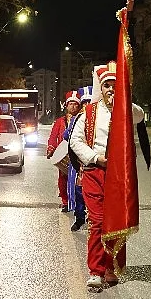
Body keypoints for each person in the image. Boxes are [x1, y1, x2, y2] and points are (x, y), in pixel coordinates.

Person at [69, 62, 145, 288]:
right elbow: (75, 140)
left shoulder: (127, 110)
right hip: (95, 171)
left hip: (119, 176)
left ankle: (112, 266)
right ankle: (96, 269)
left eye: (115, 86)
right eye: (107, 86)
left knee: (116, 221)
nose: (111, 90)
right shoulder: (89, 113)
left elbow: (140, 115)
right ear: (100, 89)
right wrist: (94, 158)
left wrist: (123, 99)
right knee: (99, 221)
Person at [63, 88, 91, 232]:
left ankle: (94, 220)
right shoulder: (76, 118)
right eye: (84, 102)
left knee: (95, 193)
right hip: (80, 162)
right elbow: (66, 136)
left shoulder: (100, 118)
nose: (86, 105)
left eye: (89, 102)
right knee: (79, 191)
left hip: (95, 162)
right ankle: (79, 218)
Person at [47, 92, 77, 212]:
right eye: (71, 104)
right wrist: (51, 148)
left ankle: (77, 202)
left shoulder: (82, 119)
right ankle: (65, 201)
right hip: (64, 155)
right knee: (63, 179)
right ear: (66, 105)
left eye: (75, 104)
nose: (73, 106)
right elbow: (53, 136)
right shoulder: (60, 121)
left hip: (78, 154)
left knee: (78, 180)